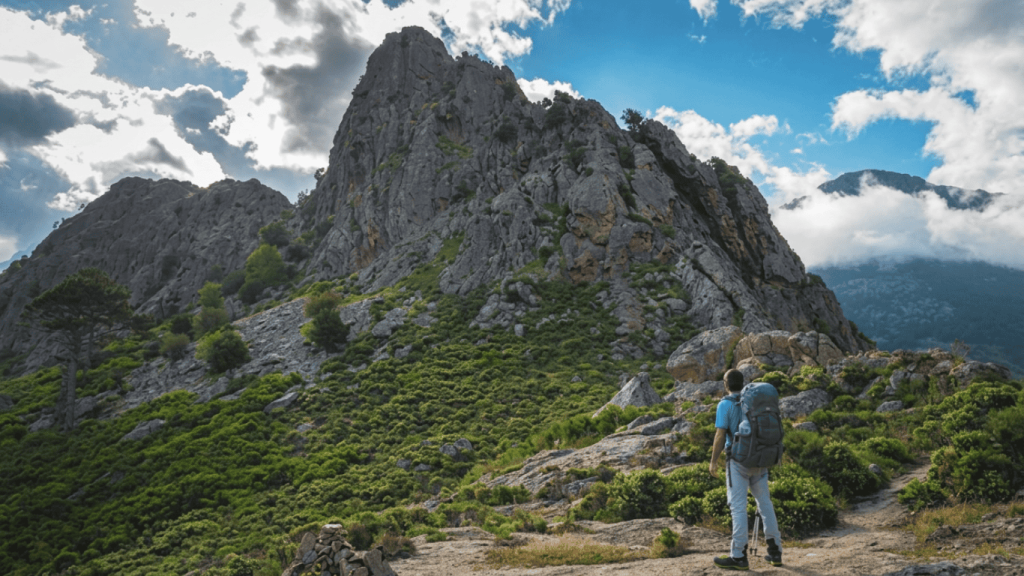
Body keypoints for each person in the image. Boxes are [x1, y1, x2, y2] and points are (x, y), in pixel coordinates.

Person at [709, 369, 783, 570]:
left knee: (738, 507)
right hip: (759, 460)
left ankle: (739, 556)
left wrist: (713, 461)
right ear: (743, 383)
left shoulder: (725, 404)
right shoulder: (752, 402)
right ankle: (775, 552)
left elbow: (719, 435)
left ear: (726, 384)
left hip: (738, 462)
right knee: (765, 503)